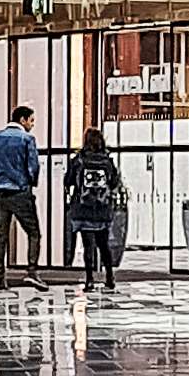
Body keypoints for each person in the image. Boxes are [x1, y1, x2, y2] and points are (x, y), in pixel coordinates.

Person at [0, 104, 45, 283]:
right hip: (20, 192)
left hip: (0, 193)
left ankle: (0, 276)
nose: (32, 125)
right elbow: (33, 166)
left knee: (1, 235)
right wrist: (30, 184)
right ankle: (32, 272)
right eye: (31, 120)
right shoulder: (27, 139)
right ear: (22, 120)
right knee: (33, 232)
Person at [65, 125, 127, 292]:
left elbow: (68, 181)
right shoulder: (107, 161)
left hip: (83, 208)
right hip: (102, 208)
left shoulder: (78, 160)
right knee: (103, 244)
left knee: (88, 246)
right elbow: (114, 182)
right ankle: (109, 277)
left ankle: (89, 280)